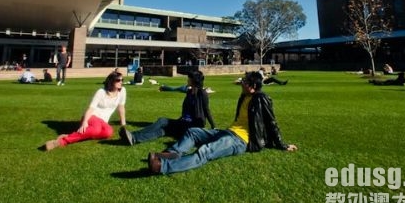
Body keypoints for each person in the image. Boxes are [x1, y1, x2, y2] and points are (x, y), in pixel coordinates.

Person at [147, 71, 297, 175]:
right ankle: (172, 153)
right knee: (192, 132)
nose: (241, 83)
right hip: (228, 132)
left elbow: (271, 122)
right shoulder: (244, 96)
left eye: (245, 82)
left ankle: (162, 166)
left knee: (205, 151)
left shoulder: (261, 98)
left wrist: (282, 145)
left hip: (240, 140)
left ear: (253, 87)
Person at [120, 71, 215, 146]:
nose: (187, 80)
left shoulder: (202, 94)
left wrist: (213, 126)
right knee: (163, 123)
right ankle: (133, 137)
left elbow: (207, 110)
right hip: (183, 121)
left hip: (193, 126)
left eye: (189, 78)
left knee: (165, 129)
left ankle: (133, 137)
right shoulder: (189, 92)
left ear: (194, 80)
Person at [44, 72, 126, 151]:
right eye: (118, 80)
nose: (121, 82)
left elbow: (121, 107)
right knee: (96, 130)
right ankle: (61, 141)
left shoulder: (122, 91)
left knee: (108, 132)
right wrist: (84, 122)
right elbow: (91, 108)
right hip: (92, 116)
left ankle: (77, 134)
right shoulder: (101, 92)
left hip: (103, 121)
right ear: (111, 81)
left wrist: (123, 123)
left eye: (122, 80)